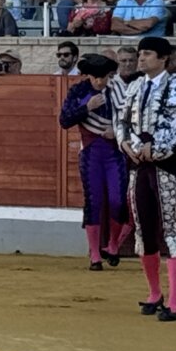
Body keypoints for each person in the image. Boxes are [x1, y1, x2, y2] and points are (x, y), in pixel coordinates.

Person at [116, 36, 176, 321]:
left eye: (146, 54)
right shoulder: (134, 86)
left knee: (171, 230)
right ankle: (155, 293)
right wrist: (125, 145)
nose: (140, 58)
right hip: (139, 167)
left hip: (168, 167)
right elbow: (121, 121)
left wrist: (165, 149)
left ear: (163, 59)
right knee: (144, 229)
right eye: (140, 53)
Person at [60, 53, 132, 270]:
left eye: (104, 77)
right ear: (88, 75)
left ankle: (112, 245)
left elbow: (131, 119)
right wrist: (87, 107)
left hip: (116, 152)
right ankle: (94, 255)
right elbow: (64, 120)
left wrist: (118, 130)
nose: (100, 81)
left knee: (118, 200)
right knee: (94, 201)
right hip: (91, 152)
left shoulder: (118, 89)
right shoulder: (79, 91)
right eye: (95, 77)